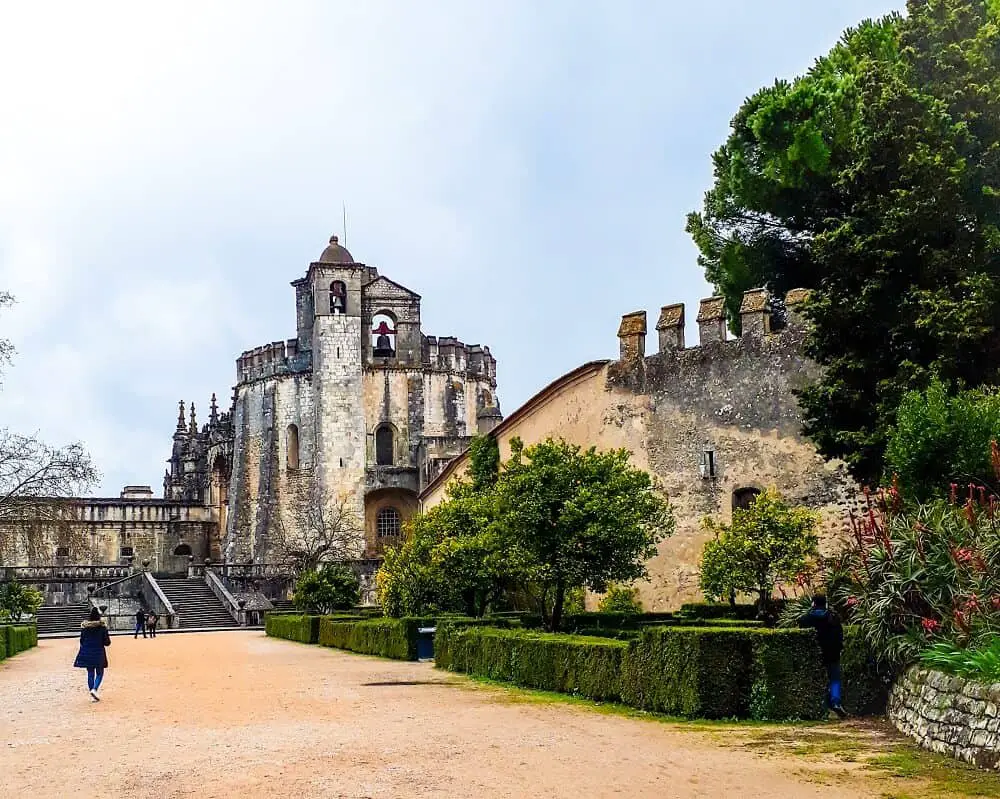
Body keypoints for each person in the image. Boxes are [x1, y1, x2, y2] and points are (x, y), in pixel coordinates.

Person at [799, 594, 847, 718]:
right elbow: (839, 636)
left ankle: (817, 705)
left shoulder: (805, 619)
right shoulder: (833, 618)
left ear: (813, 604)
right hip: (832, 654)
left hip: (813, 655)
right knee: (834, 679)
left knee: (813, 679)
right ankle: (835, 702)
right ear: (825, 604)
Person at [74, 607, 111, 702]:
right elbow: (107, 642)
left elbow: (82, 641)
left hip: (87, 652)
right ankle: (94, 689)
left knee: (90, 673)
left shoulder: (85, 628)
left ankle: (92, 693)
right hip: (98, 652)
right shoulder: (102, 628)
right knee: (100, 673)